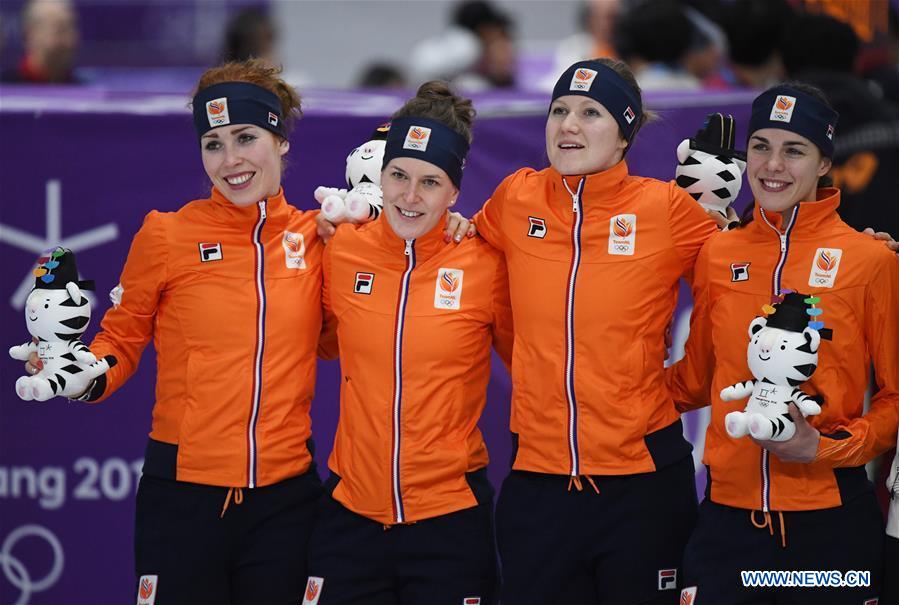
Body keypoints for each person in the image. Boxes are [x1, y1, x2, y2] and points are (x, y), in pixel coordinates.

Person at [27, 60, 325, 604]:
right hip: (184, 497)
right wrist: (84, 375)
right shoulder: (166, 234)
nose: (230, 160)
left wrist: (453, 224)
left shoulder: (320, 237)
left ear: (279, 139)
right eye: (213, 144)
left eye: (245, 137)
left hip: (288, 501)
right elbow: (119, 339)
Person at [474, 58, 718, 604]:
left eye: (590, 112)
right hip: (539, 480)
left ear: (625, 134)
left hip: (643, 486)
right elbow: (465, 258)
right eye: (559, 110)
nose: (568, 125)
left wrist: (685, 385)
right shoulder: (516, 198)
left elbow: (740, 281)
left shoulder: (665, 209)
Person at [667, 82, 899, 604]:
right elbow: (696, 379)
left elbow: (895, 398)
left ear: (823, 163)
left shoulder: (870, 261)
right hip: (729, 525)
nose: (772, 165)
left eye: (794, 150)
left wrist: (825, 449)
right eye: (760, 146)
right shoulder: (717, 253)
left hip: (831, 529)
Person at [305, 81, 512, 604]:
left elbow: (530, 357)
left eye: (430, 182)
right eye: (398, 175)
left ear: (455, 192)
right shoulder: (340, 248)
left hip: (449, 518)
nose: (410, 196)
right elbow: (323, 342)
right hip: (350, 513)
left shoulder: (485, 262)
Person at [1, 0, 80, 84]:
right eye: (60, 31)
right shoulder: (6, 88)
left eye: (72, 30)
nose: (70, 41)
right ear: (30, 34)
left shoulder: (84, 89)